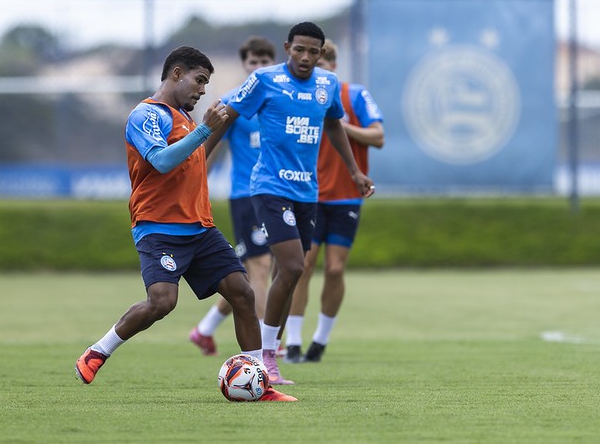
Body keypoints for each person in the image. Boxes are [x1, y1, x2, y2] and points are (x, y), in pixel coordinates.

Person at [74, 45, 296, 402]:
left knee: (242, 292)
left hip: (200, 228)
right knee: (162, 302)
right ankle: (98, 351)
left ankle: (261, 385)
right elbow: (162, 161)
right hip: (159, 226)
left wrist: (218, 128)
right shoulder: (147, 115)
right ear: (176, 74)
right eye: (199, 80)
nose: (202, 90)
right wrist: (204, 130)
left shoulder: (187, 122)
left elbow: (195, 161)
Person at [204, 22, 375, 386]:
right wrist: (199, 161)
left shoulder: (327, 85)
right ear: (288, 47)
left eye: (314, 51)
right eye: (300, 49)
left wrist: (355, 171)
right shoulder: (265, 80)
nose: (306, 57)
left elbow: (333, 126)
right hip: (269, 187)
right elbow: (227, 114)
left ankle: (267, 356)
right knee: (295, 266)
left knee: (288, 272)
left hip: (307, 193)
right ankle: (267, 356)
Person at [284, 38, 385, 363]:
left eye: (325, 61)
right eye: (315, 60)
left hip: (344, 199)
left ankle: (320, 341)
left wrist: (342, 126)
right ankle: (295, 342)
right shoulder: (299, 95)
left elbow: (379, 136)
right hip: (308, 194)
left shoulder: (354, 95)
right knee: (303, 267)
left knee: (336, 269)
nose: (319, 66)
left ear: (334, 66)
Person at [189, 37, 277, 357]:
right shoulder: (233, 101)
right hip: (247, 195)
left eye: (265, 60)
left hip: (280, 194)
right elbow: (210, 148)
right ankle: (267, 353)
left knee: (250, 275)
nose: (259, 66)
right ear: (245, 64)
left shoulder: (280, 100)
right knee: (260, 269)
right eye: (253, 61)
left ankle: (205, 329)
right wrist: (195, 185)